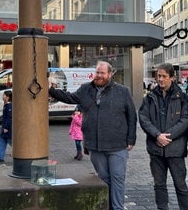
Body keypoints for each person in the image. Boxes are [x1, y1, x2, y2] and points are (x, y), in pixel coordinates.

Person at [49, 60, 137, 210]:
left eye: (102, 73)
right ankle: (108, 206)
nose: (99, 75)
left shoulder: (123, 91)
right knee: (103, 179)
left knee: (117, 178)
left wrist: (131, 139)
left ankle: (117, 207)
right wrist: (50, 89)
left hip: (117, 145)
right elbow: (69, 98)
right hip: (95, 145)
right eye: (97, 72)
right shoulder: (85, 89)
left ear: (110, 74)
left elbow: (131, 116)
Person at [138, 63, 188, 210]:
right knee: (159, 185)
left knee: (181, 185)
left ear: (172, 77)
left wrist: (167, 137)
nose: (160, 79)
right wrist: (157, 135)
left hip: (175, 151)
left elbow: (185, 120)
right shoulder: (150, 97)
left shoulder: (182, 97)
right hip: (156, 150)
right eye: (158, 76)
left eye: (164, 76)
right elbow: (143, 118)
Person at [0, 90, 12, 163]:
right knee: (1, 141)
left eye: (4, 95)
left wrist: (6, 127)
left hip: (8, 129)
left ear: (7, 97)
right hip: (5, 127)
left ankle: (22, 154)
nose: (2, 96)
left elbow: (10, 118)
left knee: (11, 142)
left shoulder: (9, 106)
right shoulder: (7, 105)